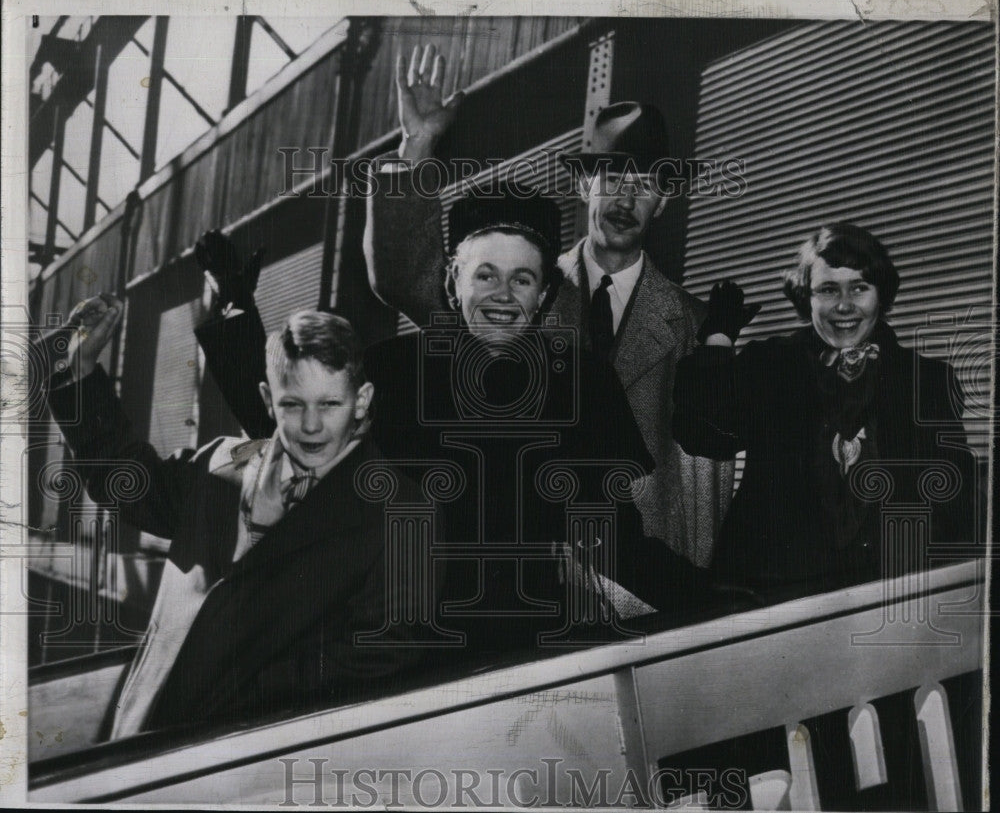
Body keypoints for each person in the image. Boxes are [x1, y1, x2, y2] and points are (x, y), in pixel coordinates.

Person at [195, 194, 709, 660]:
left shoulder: (583, 384)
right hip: (387, 645)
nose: (503, 295)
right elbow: (292, 430)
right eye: (485, 275)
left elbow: (611, 538)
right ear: (453, 283)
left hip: (521, 647)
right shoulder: (392, 370)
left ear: (545, 295)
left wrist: (712, 596)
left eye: (522, 279)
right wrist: (237, 308)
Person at [364, 44, 733, 569]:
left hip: (639, 569)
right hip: (535, 563)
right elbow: (407, 276)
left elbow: (704, 481)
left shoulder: (696, 323)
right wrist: (418, 146)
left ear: (664, 200)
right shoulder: (519, 291)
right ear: (584, 185)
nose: (625, 201)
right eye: (611, 180)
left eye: (644, 185)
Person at [44, 297, 439, 738]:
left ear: (361, 401)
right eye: (293, 404)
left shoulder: (401, 509)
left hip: (249, 756)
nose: (311, 426)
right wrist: (78, 372)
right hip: (141, 732)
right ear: (268, 400)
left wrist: (249, 691)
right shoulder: (225, 459)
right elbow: (129, 485)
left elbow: (389, 647)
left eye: (329, 404)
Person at [672, 223, 977, 596]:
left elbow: (955, 505)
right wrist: (718, 339)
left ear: (881, 294)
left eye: (859, 287)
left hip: (887, 596)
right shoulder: (769, 364)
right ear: (806, 298)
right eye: (828, 290)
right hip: (770, 595)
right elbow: (704, 435)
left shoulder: (928, 381)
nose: (844, 305)